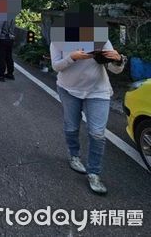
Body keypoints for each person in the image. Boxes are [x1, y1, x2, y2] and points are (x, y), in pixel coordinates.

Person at [50, 42, 126, 195]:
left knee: (97, 133)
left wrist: (118, 60)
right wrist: (72, 57)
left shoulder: (99, 36)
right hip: (68, 89)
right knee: (71, 126)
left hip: (98, 90)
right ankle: (74, 156)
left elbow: (114, 68)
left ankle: (94, 173)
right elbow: (56, 66)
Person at [0, 17, 16, 82]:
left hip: (2, 39)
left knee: (0, 57)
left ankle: (0, 75)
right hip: (10, 39)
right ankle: (10, 73)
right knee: (9, 57)